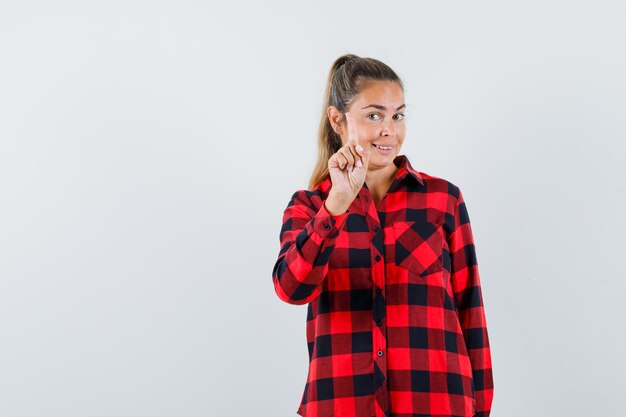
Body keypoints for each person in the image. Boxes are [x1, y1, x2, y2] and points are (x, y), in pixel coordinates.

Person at [271, 54, 494, 417]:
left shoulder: (443, 200)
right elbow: (291, 289)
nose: (389, 130)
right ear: (337, 120)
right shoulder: (310, 206)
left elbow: (471, 311)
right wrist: (337, 204)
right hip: (341, 405)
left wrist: (481, 408)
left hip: (437, 404)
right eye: (374, 115)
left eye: (398, 115)